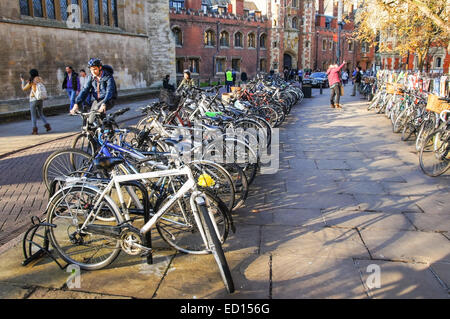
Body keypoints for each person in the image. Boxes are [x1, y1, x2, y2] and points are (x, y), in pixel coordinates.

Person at [21, 69, 51, 135]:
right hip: (40, 99)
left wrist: (22, 81)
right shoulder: (40, 79)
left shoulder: (31, 81)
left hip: (33, 100)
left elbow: (24, 88)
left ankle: (35, 130)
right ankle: (47, 125)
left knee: (33, 116)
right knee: (41, 114)